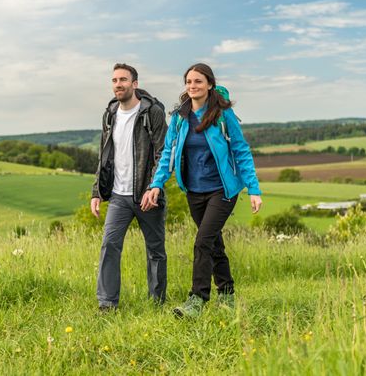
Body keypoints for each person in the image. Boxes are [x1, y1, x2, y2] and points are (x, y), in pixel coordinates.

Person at [142, 63, 262, 318]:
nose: (192, 86)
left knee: (203, 241)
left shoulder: (223, 115)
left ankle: (197, 299)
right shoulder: (179, 117)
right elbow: (168, 154)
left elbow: (241, 150)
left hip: (222, 189)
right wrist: (156, 184)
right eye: (188, 82)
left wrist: (253, 188)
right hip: (194, 191)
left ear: (209, 84)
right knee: (214, 243)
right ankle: (227, 292)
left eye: (198, 81)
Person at [91, 63, 168, 311]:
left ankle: (156, 302)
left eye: (123, 80)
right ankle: (107, 303)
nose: (118, 85)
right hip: (118, 196)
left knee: (155, 250)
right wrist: (96, 192)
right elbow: (103, 156)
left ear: (134, 84)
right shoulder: (110, 113)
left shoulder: (151, 113)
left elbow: (163, 153)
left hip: (147, 195)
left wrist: (153, 187)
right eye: (114, 80)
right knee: (109, 245)